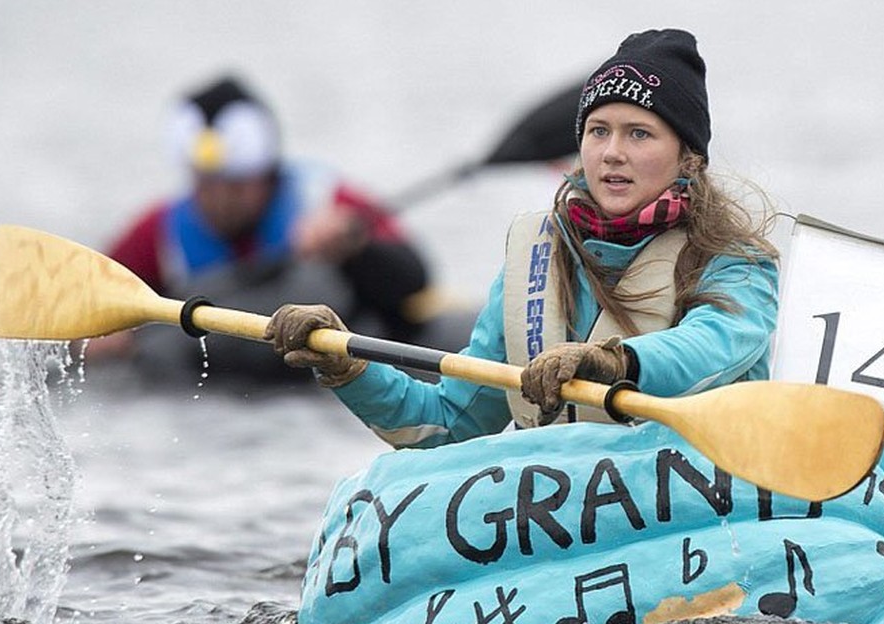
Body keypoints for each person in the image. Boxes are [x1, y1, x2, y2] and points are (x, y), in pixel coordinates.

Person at [265, 28, 779, 440]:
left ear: (687, 156)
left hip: (692, 505)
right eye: (598, 131)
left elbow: (709, 348)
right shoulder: (534, 256)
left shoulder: (738, 260)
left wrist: (611, 362)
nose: (612, 152)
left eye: (639, 133)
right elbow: (448, 421)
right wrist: (346, 364)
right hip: (567, 515)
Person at [93, 75, 437, 381]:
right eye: (207, 185)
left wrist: (356, 250)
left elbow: (415, 282)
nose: (220, 201)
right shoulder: (161, 229)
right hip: (221, 381)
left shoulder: (325, 201)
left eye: (236, 186)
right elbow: (96, 300)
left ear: (267, 174)